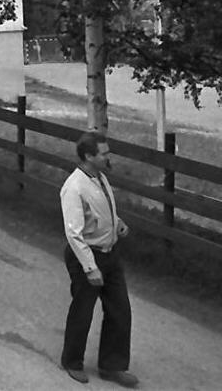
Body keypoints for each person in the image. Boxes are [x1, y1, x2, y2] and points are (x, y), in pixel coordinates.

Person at [59, 132, 137, 387]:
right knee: (83, 310)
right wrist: (90, 268)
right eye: (103, 153)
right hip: (87, 257)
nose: (108, 156)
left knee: (120, 310)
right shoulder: (74, 187)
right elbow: (74, 233)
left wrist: (118, 224)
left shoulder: (100, 178)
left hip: (110, 253)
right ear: (88, 156)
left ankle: (112, 366)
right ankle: (72, 361)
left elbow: (102, 211)